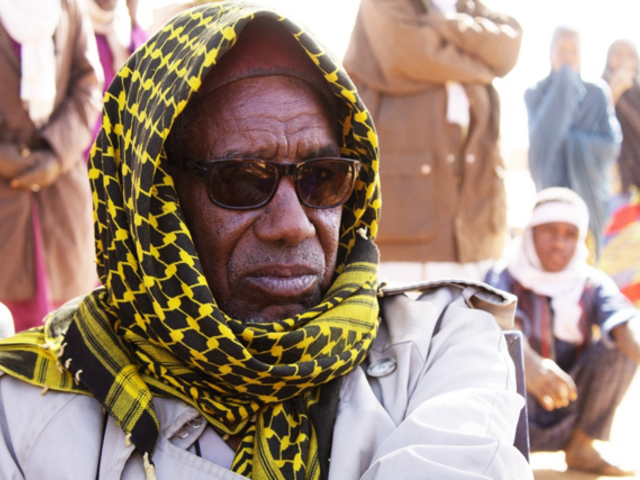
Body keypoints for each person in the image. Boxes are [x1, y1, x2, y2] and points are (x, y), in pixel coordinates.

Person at [0, 4, 532, 479]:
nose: (294, 224)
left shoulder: (443, 344)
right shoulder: (25, 408)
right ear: (151, 198)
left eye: (322, 178)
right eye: (241, 180)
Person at [343, 0, 522, 284]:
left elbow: (508, 45)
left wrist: (443, 24)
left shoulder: (466, 5)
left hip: (473, 229)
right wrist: (482, 65)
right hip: (405, 230)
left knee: (472, 321)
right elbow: (407, 54)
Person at [485, 187, 640, 476]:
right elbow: (499, 323)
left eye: (570, 234)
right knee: (497, 341)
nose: (559, 244)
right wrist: (529, 364)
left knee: (620, 343)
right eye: (549, 231)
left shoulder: (591, 283)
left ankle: (582, 445)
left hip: (571, 411)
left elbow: (625, 322)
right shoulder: (503, 275)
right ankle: (503, 457)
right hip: (515, 420)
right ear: (530, 233)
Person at [0, 0, 103, 332]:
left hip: (60, 187)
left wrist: (55, 154)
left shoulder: (68, 8)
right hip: (6, 195)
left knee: (69, 327)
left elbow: (87, 86)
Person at [525, 27, 620, 256]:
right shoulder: (536, 93)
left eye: (573, 51)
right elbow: (541, 144)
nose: (567, 56)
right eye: (561, 50)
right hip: (552, 193)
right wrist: (564, 84)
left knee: (590, 260)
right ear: (550, 53)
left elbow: (611, 144)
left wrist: (570, 142)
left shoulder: (597, 93)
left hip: (590, 197)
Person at [598, 39, 640, 306]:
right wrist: (613, 93)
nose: (624, 59)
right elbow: (594, 132)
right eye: (617, 54)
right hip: (612, 190)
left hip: (636, 189)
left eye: (630, 54)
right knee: (613, 266)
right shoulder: (596, 93)